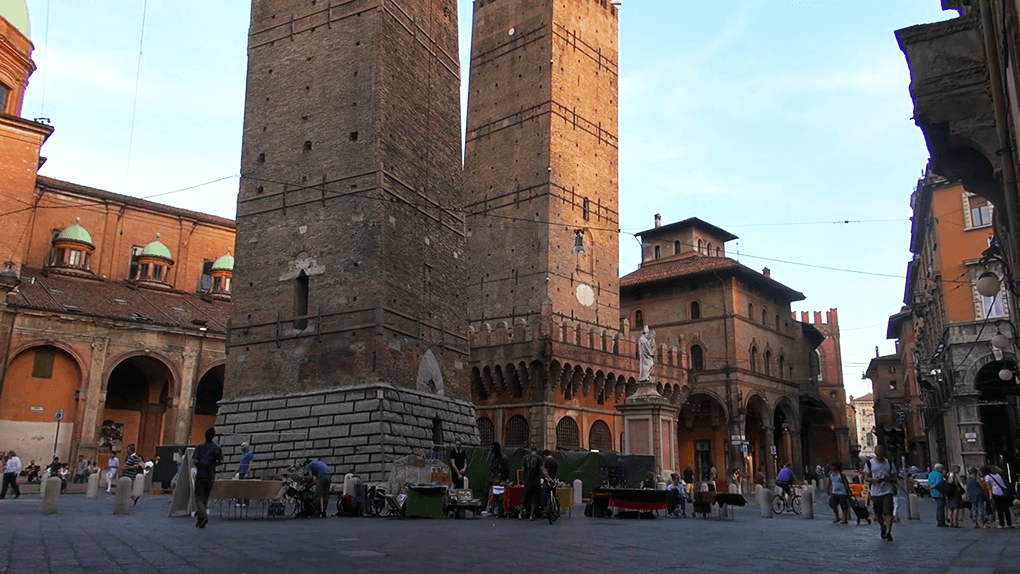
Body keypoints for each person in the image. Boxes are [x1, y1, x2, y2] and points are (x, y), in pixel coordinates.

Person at [864, 445, 899, 541]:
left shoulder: (890, 463)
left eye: (881, 455)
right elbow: (866, 477)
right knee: (878, 514)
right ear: (875, 454)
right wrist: (874, 480)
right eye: (878, 455)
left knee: (888, 512)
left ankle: (888, 532)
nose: (880, 457)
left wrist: (889, 479)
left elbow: (895, 478)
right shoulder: (869, 464)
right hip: (875, 492)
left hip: (887, 491)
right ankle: (882, 527)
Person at [192, 427, 223, 528]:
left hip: (201, 474)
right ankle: (200, 520)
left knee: (199, 498)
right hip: (211, 475)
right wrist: (213, 464)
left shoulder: (199, 447)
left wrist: (199, 464)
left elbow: (195, 460)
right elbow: (221, 461)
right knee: (205, 498)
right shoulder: (217, 448)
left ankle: (203, 516)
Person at [521, 446, 549, 522]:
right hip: (536, 481)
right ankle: (531, 515)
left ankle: (520, 514)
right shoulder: (539, 458)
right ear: (537, 450)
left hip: (527, 481)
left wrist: (523, 479)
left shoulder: (525, 458)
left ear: (530, 450)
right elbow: (542, 469)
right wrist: (548, 477)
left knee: (525, 498)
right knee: (534, 499)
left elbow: (523, 470)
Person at [485, 442, 510, 516]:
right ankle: (486, 506)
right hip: (494, 476)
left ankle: (498, 505)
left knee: (494, 483)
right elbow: (492, 468)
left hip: (501, 476)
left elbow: (507, 470)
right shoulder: (493, 457)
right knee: (488, 484)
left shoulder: (504, 458)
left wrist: (503, 477)